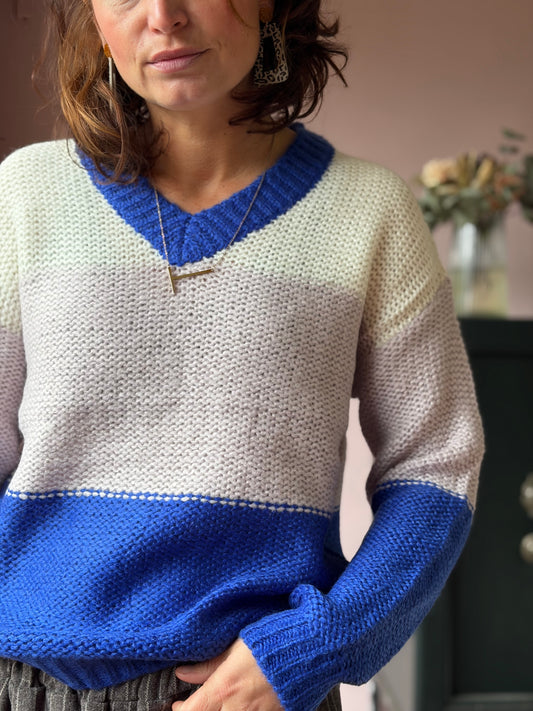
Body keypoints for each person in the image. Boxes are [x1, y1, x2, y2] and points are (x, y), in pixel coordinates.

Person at [0, 1, 484, 710]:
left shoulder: (369, 212)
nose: (163, 15)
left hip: (257, 689)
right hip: (26, 682)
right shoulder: (24, 196)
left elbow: (436, 463)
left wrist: (325, 641)